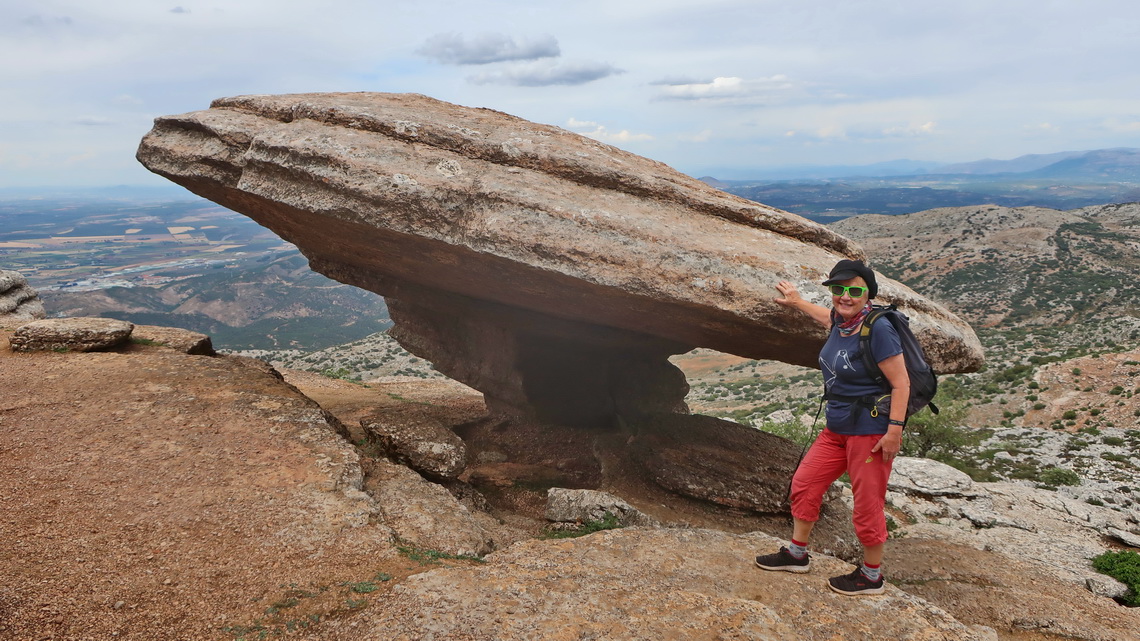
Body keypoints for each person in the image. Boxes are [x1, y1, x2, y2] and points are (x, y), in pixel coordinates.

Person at [754, 259, 909, 596]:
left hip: (870, 434)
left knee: (867, 505)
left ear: (868, 293)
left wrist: (894, 431)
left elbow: (901, 384)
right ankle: (797, 553)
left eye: (854, 290)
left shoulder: (878, 329)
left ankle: (871, 576)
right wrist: (796, 302)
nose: (846, 297)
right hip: (836, 429)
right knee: (805, 483)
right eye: (839, 290)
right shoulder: (841, 321)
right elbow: (827, 317)